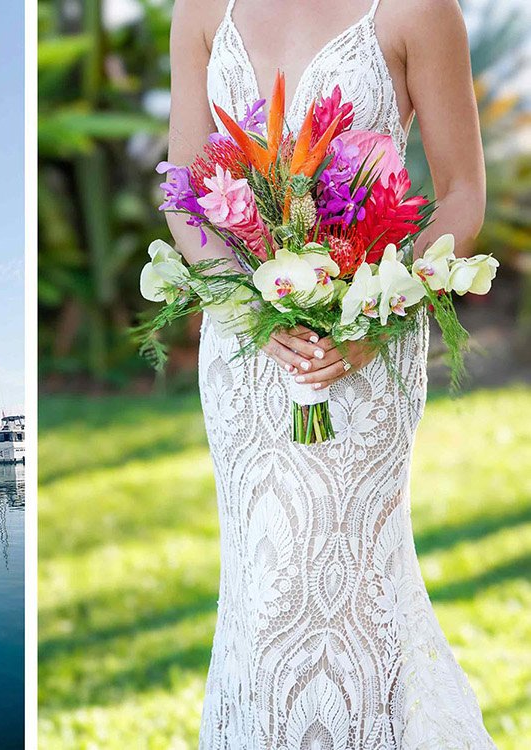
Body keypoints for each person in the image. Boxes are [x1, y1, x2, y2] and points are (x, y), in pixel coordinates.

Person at [165, 0, 495, 746]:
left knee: (352, 591)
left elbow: (462, 193)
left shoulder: (419, 9)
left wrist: (375, 315)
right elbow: (185, 194)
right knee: (261, 591)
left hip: (364, 349)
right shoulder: (200, 8)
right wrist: (248, 307)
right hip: (247, 355)